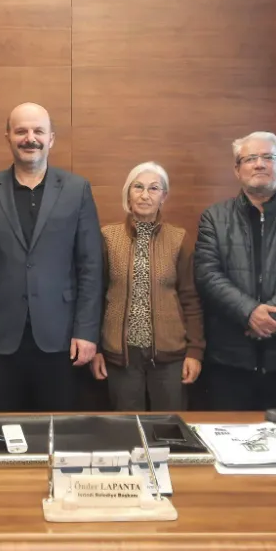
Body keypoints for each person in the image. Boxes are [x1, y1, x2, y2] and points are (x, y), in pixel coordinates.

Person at [0, 102, 103, 412]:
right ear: (8, 137)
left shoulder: (77, 190)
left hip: (61, 338)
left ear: (51, 138)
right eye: (21, 131)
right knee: (1, 430)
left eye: (38, 131)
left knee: (57, 429)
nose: (30, 138)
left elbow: (90, 267)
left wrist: (87, 331)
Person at [194, 131, 276, 411]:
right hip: (229, 362)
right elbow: (207, 273)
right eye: (250, 158)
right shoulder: (214, 217)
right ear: (237, 169)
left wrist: (269, 318)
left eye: (269, 157)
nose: (259, 164)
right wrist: (249, 313)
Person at [91, 162, 204, 411]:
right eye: (138, 187)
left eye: (154, 188)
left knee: (170, 427)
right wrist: (95, 348)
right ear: (128, 195)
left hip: (170, 355)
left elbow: (190, 298)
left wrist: (194, 351)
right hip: (121, 356)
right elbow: (95, 296)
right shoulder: (108, 237)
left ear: (164, 196)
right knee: (126, 427)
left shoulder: (178, 238)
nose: (145, 195)